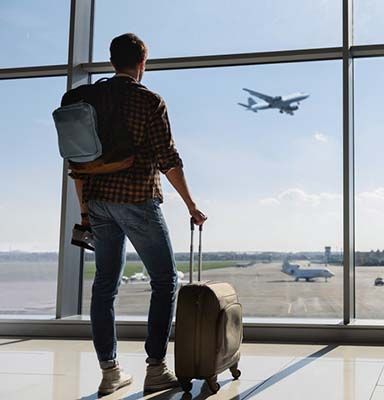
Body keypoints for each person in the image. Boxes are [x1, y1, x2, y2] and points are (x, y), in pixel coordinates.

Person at [70, 33, 207, 396]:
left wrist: (85, 209)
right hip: (136, 199)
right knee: (165, 280)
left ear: (112, 61)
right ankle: (156, 368)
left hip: (97, 202)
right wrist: (191, 204)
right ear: (142, 62)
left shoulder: (88, 98)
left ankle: (109, 372)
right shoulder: (148, 100)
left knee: (105, 285)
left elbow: (76, 161)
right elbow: (168, 159)